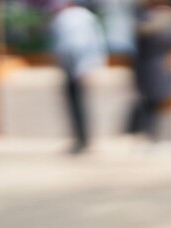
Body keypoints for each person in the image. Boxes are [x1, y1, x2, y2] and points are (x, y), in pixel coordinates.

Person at [49, 0, 107, 154]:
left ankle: (82, 140)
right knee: (77, 105)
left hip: (76, 68)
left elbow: (77, 45)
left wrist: (81, 68)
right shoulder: (84, 17)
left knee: (77, 106)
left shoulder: (70, 18)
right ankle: (82, 139)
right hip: (78, 67)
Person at [127, 0, 171, 144]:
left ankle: (154, 136)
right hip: (152, 66)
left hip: (156, 66)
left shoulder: (161, 18)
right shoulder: (153, 18)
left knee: (155, 102)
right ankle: (152, 135)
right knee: (152, 102)